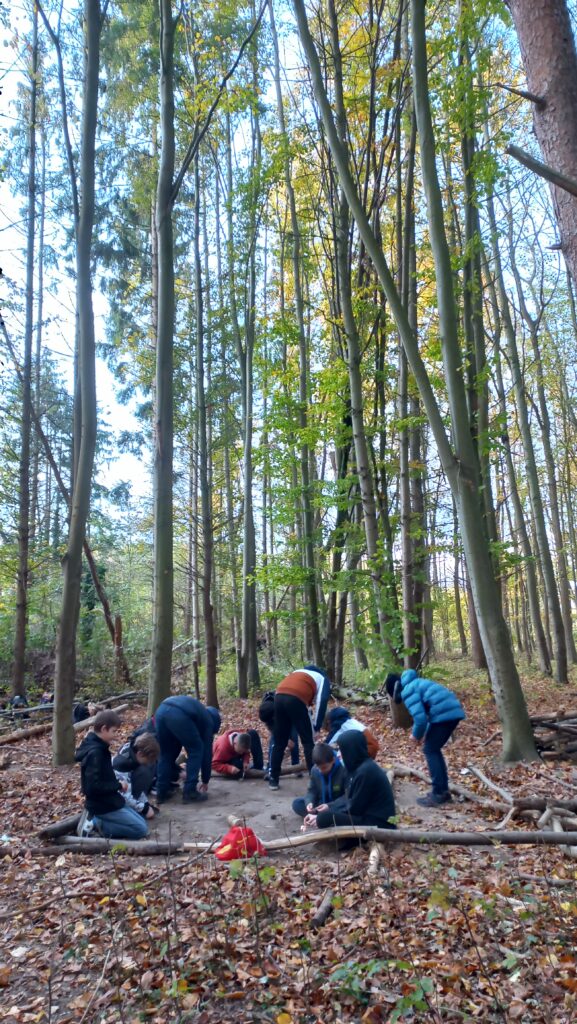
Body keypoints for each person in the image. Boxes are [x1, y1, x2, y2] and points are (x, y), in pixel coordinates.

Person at [75, 710, 149, 839]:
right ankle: (95, 824)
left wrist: (117, 785)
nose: (116, 735)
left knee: (142, 822)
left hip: (111, 799)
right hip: (101, 804)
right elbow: (92, 787)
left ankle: (98, 821)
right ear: (104, 729)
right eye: (114, 731)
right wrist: (118, 785)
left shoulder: (101, 748)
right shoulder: (95, 753)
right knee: (140, 830)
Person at [305, 731, 396, 836]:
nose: (339, 754)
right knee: (324, 815)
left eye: (341, 750)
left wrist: (329, 813)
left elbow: (354, 808)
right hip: (366, 815)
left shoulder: (365, 772)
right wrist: (329, 806)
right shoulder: (356, 768)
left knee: (323, 818)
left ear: (350, 750)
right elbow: (350, 797)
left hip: (378, 824)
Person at [397, 668, 466, 807]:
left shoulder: (408, 690)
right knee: (433, 749)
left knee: (430, 750)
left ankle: (439, 794)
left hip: (445, 716)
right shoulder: (421, 683)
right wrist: (425, 734)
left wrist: (415, 736)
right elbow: (431, 713)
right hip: (453, 713)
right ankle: (443, 791)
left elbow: (420, 718)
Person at [268, 665, 331, 791]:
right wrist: (317, 726)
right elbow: (322, 700)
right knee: (308, 742)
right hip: (296, 699)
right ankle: (315, 780)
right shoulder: (323, 678)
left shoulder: (297, 672)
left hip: (278, 696)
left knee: (279, 741)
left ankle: (273, 779)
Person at [154, 696, 221, 803]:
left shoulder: (199, 711)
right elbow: (206, 753)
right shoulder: (208, 722)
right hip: (178, 714)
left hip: (160, 711)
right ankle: (190, 791)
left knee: (166, 753)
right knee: (197, 749)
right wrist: (205, 780)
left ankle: (161, 792)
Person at [292, 742, 348, 818]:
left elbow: (348, 796)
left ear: (333, 760)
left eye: (324, 767)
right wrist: (309, 803)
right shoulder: (314, 770)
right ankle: (321, 817)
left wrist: (329, 806)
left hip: (336, 805)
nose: (321, 770)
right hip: (320, 804)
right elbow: (312, 791)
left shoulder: (343, 770)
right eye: (318, 767)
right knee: (297, 803)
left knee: (348, 809)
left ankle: (323, 817)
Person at [113, 732, 161, 819]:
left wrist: (145, 803)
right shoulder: (123, 765)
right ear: (140, 754)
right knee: (144, 771)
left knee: (145, 769)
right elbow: (124, 796)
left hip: (128, 791)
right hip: (116, 800)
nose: (148, 763)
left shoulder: (133, 750)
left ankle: (138, 805)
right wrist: (144, 809)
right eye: (148, 760)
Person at [258, 691, 300, 777]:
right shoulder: (265, 708)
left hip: (291, 715)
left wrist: (288, 739)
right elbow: (272, 727)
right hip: (278, 712)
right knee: (274, 740)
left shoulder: (284, 702)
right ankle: (271, 768)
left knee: (293, 738)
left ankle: (296, 766)